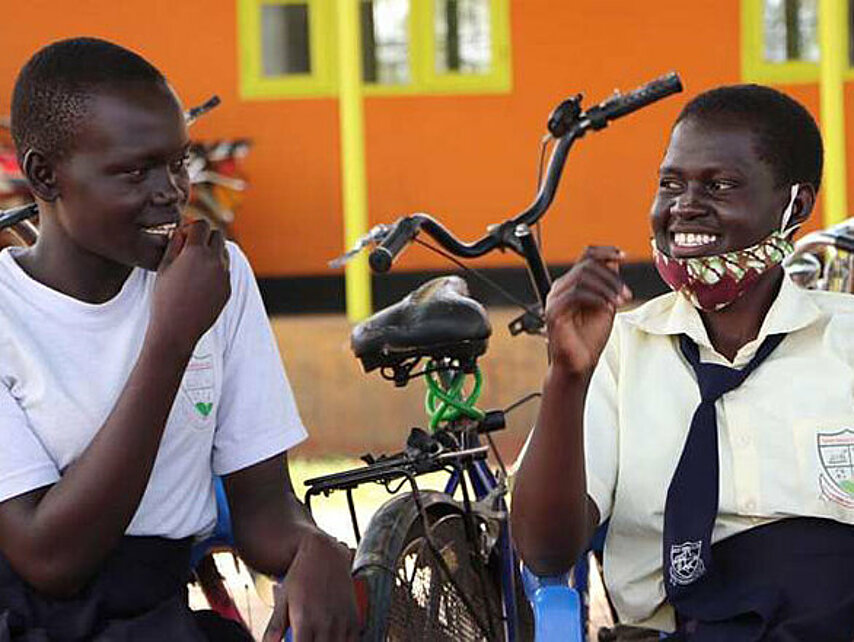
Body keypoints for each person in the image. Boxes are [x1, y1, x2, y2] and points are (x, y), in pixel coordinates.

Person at [0, 38, 358, 641]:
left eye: (178, 162)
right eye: (135, 170)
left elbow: (263, 508)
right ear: (44, 174)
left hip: (155, 614)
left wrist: (314, 548)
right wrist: (170, 340)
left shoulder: (218, 276)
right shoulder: (12, 316)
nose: (171, 190)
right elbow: (50, 560)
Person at [511, 84, 854, 641]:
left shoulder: (845, 342)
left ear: (796, 204)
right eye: (671, 183)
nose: (685, 205)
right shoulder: (617, 352)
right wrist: (567, 376)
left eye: (720, 185)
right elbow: (545, 552)